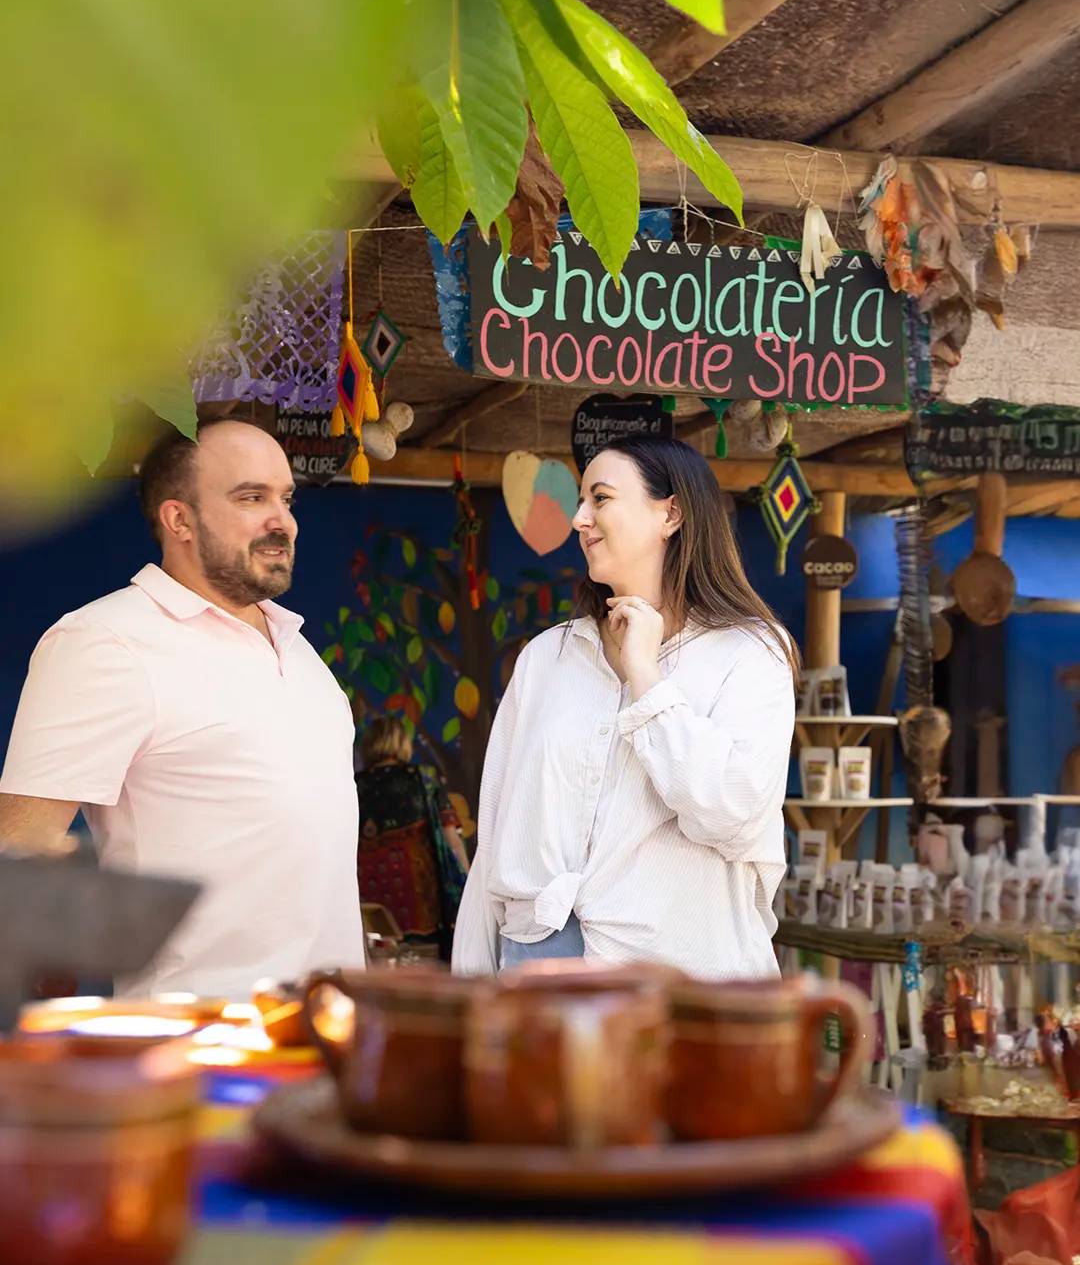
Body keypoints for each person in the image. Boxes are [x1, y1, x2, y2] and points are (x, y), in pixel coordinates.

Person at [0, 419, 366, 997]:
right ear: (180, 519)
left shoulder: (300, 652)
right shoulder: (106, 642)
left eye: (286, 498)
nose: (283, 521)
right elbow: (20, 852)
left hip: (331, 1031)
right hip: (196, 1043)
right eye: (251, 497)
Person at [452, 433, 797, 981]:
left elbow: (734, 814)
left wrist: (647, 677)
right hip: (535, 975)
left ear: (672, 513)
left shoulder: (750, 654)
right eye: (581, 502)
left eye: (601, 498)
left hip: (679, 984)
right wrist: (472, 985)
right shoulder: (548, 657)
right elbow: (495, 836)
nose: (579, 519)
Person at [355, 716, 469, 961]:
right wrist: (467, 890)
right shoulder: (423, 779)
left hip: (367, 910)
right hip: (421, 911)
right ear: (402, 744)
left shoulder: (355, 786)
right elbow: (453, 841)